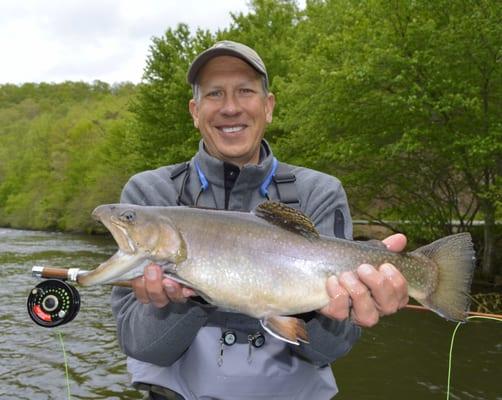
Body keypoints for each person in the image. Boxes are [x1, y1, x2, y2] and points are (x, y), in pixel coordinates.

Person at [111, 40, 409, 400]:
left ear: (268, 106)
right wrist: (185, 300)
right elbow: (142, 347)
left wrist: (320, 314)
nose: (231, 107)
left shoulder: (320, 192)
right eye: (215, 94)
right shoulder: (149, 195)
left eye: (245, 91)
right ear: (194, 110)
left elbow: (329, 351)